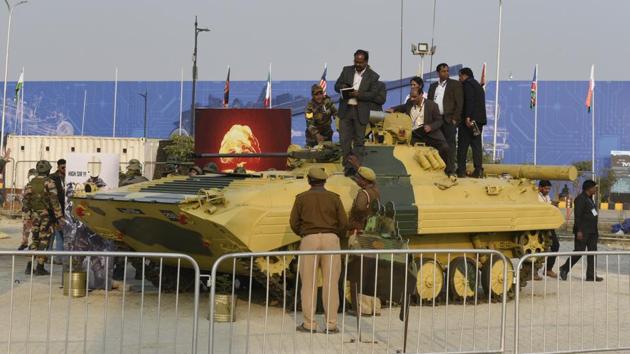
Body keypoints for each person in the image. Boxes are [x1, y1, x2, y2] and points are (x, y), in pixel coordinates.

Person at [289, 167, 348, 333]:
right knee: (331, 283)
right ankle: (331, 324)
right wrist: (334, 233)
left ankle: (309, 324)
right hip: (331, 239)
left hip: (309, 239)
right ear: (324, 181)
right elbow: (343, 222)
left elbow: (294, 222)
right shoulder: (334, 198)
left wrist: (305, 233)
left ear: (309, 180)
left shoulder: (301, 198)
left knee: (308, 283)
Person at [334, 49, 381, 176]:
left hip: (360, 112)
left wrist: (358, 94)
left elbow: (373, 95)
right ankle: (347, 166)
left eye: (360, 62)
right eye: (356, 61)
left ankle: (355, 167)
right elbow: (336, 86)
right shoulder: (346, 70)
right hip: (346, 110)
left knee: (359, 142)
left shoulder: (373, 76)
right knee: (344, 140)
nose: (357, 64)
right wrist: (342, 87)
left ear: (366, 62)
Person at [22, 160, 64, 275]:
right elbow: (54, 201)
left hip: (34, 215)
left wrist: (27, 216)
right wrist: (59, 217)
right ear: (48, 170)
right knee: (44, 240)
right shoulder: (49, 183)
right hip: (46, 216)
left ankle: (29, 266)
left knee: (34, 240)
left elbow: (25, 201)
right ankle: (40, 267)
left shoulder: (30, 183)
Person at [390, 88, 449, 163]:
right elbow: (402, 107)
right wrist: (393, 109)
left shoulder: (432, 105)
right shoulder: (409, 103)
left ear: (421, 95)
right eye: (411, 96)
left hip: (428, 132)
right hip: (414, 134)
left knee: (445, 147)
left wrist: (431, 126)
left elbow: (439, 120)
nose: (412, 99)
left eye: (414, 97)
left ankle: (448, 171)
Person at [559, 180, 603, 282]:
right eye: (594, 187)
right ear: (589, 188)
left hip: (592, 231)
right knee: (579, 252)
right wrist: (579, 231)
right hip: (582, 231)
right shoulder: (580, 199)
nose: (596, 189)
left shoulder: (590, 199)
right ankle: (565, 268)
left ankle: (591, 276)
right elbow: (577, 216)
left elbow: (593, 214)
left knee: (592, 253)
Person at [428, 63, 463, 176]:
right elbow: (429, 102)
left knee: (450, 145)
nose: (446, 73)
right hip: (436, 119)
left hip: (448, 119)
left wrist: (455, 119)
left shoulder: (455, 84)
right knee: (437, 144)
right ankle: (439, 168)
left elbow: (459, 103)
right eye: (443, 71)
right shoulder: (433, 86)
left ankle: (450, 169)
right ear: (438, 73)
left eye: (447, 71)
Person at [456, 67, 487, 178]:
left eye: (460, 76)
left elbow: (469, 100)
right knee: (476, 145)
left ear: (464, 75)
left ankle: (461, 170)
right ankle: (478, 169)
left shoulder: (467, 85)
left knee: (462, 146)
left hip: (469, 121)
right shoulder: (478, 86)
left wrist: (467, 116)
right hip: (479, 121)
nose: (459, 79)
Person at [538, 180, 559, 278]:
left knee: (555, 245)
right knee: (538, 249)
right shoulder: (536, 196)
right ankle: (532, 272)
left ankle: (548, 269)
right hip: (540, 226)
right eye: (546, 188)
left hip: (549, 225)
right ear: (540, 187)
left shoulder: (546, 196)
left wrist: (553, 204)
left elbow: (549, 204)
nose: (547, 191)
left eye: (549, 189)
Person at [50, 159, 66, 255]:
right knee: (51, 234)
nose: (65, 169)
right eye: (63, 167)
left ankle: (59, 257)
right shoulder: (53, 177)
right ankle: (46, 255)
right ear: (58, 167)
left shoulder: (69, 177)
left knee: (60, 234)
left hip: (64, 209)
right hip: (54, 209)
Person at [18, 168, 37, 251]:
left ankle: (33, 245)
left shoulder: (38, 186)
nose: (31, 177)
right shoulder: (26, 186)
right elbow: (22, 197)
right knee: (26, 228)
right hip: (26, 210)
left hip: (34, 210)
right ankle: (24, 243)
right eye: (30, 175)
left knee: (34, 228)